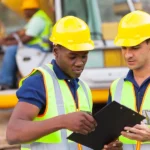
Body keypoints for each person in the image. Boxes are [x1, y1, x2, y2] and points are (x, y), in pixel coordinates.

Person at [6, 16, 122, 150]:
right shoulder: (39, 81)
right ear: (56, 51)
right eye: (72, 56)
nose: (79, 63)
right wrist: (63, 121)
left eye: (84, 56)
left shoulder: (83, 88)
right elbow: (13, 133)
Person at [107, 10, 150, 150]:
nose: (127, 55)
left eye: (135, 48)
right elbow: (110, 134)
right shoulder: (116, 87)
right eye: (124, 48)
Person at [0, 0, 52, 90]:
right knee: (11, 48)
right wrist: (6, 39)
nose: (24, 12)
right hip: (35, 46)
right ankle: (11, 80)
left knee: (11, 50)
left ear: (31, 9)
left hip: (39, 48)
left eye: (25, 10)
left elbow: (27, 37)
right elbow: (21, 32)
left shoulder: (38, 19)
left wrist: (8, 43)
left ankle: (6, 82)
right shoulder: (35, 18)